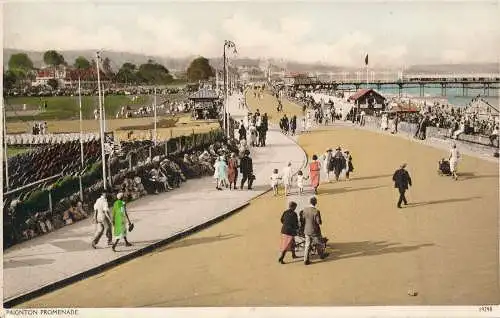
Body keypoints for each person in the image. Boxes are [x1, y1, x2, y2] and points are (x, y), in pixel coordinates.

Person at [300, 196, 328, 265]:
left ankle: (305, 259)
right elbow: (319, 222)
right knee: (318, 243)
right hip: (315, 231)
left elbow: (302, 220)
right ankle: (321, 255)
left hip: (306, 230)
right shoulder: (316, 211)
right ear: (315, 203)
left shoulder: (305, 210)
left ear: (310, 202)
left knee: (307, 245)